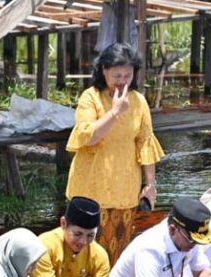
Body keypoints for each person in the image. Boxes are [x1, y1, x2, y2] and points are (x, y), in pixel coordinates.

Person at [65, 43, 164, 265]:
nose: (122, 80)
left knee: (118, 252)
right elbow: (89, 136)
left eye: (127, 75)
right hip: (90, 188)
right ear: (104, 71)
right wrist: (116, 112)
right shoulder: (90, 98)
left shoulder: (138, 101)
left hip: (124, 189)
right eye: (117, 75)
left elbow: (145, 142)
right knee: (82, 250)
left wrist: (150, 184)